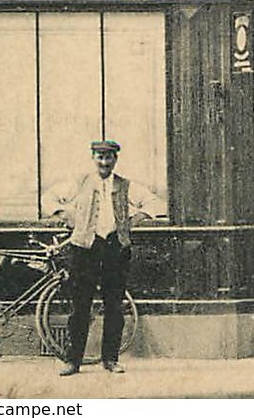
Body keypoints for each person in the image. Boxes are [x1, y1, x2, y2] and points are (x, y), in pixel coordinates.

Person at [40, 140, 166, 376]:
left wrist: (133, 221)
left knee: (114, 306)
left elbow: (155, 203)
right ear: (93, 158)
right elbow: (48, 198)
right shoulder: (79, 183)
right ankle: (73, 361)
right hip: (84, 248)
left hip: (115, 248)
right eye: (100, 157)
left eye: (109, 157)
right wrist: (66, 216)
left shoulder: (126, 185)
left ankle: (110, 359)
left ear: (115, 159)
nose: (104, 162)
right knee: (80, 306)